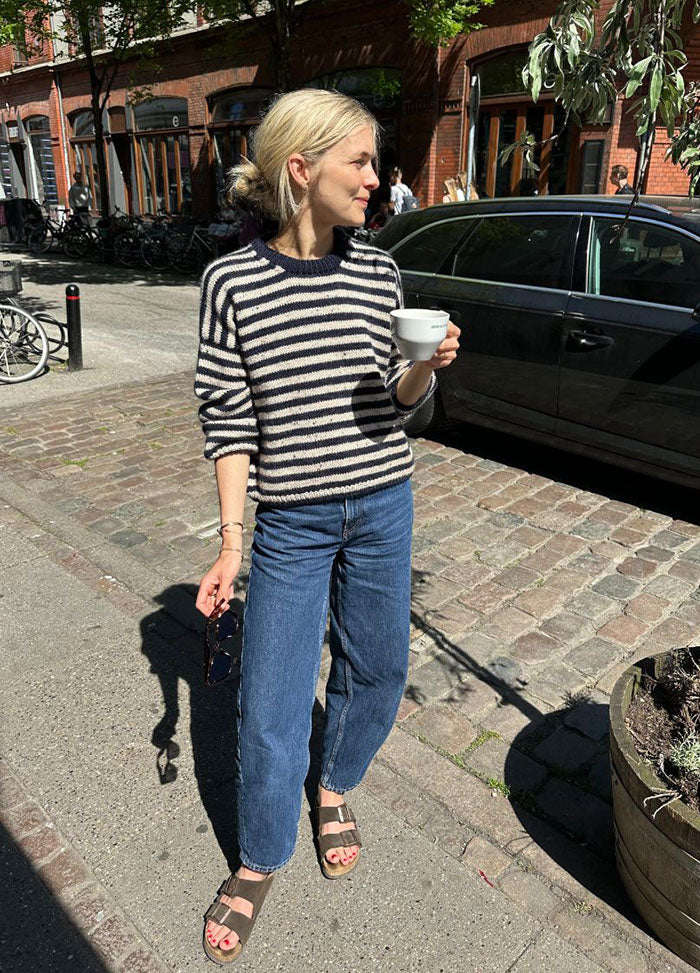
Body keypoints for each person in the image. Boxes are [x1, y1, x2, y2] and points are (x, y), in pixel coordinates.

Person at [194, 87, 460, 965]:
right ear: (300, 171)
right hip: (294, 524)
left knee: (377, 664)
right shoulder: (230, 282)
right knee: (271, 701)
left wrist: (423, 368)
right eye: (362, 162)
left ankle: (336, 780)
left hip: (384, 502)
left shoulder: (378, 272)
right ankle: (260, 855)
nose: (377, 180)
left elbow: (403, 404)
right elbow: (228, 422)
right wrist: (233, 543)